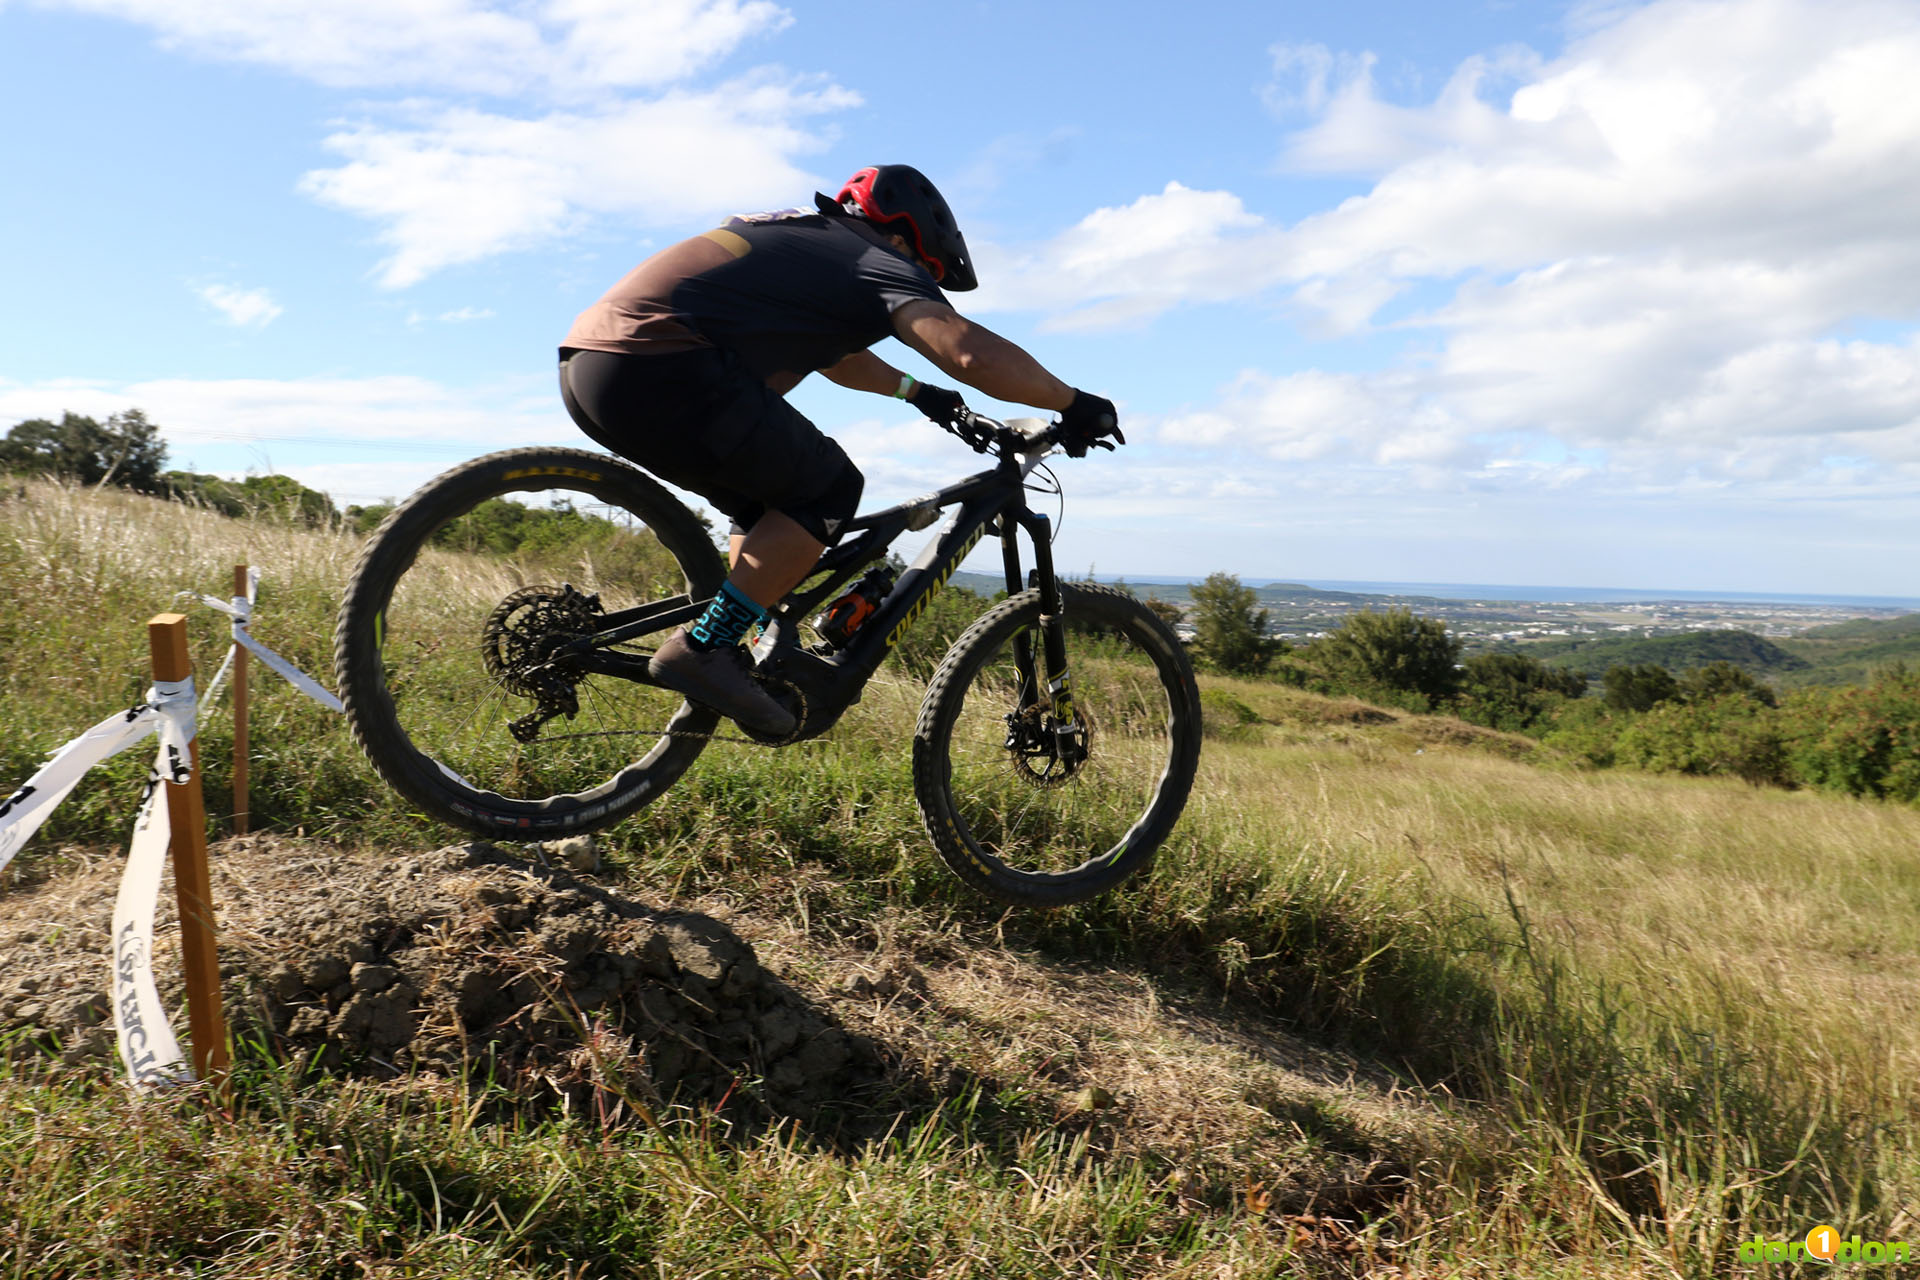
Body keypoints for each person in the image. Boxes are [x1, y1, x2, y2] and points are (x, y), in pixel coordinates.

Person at [558, 164, 1121, 737]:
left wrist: (923, 395)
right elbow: (966, 352)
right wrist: (1072, 403)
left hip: (596, 366)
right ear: (903, 239)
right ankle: (706, 646)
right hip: (663, 363)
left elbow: (839, 356)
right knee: (830, 487)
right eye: (923, 272)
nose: (916, 281)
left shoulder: (812, 241)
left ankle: (746, 643)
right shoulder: (876, 257)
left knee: (765, 506)